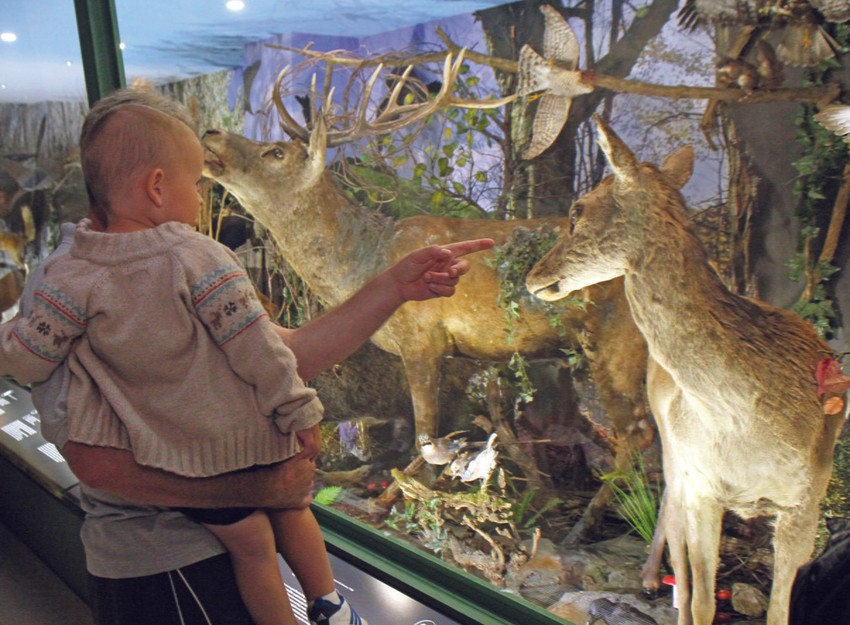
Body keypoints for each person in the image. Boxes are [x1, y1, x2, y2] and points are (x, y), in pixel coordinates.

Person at [0, 88, 494, 625]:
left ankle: (325, 604)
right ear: (158, 187)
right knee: (260, 536)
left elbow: (278, 350)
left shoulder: (87, 280)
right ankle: (328, 603)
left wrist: (394, 286)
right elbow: (90, 457)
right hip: (164, 567)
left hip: (212, 535)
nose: (204, 200)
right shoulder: (106, 270)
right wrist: (278, 461)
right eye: (197, 185)